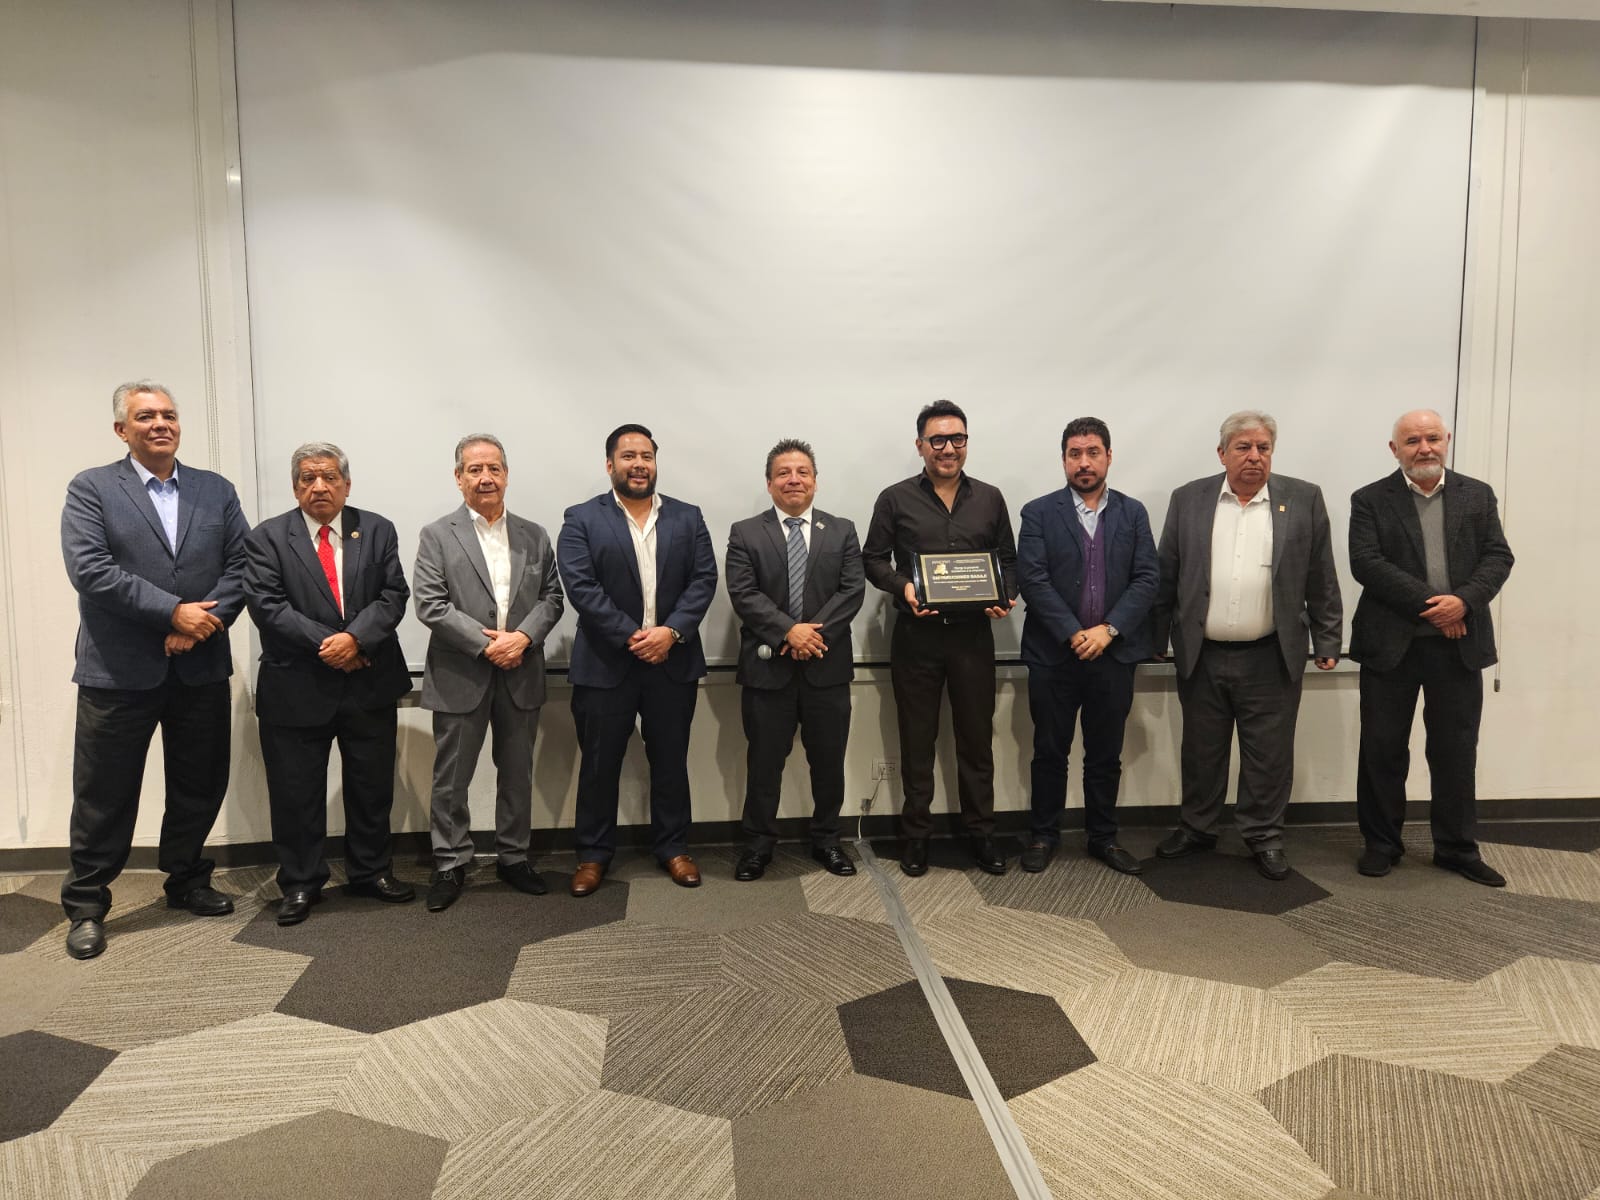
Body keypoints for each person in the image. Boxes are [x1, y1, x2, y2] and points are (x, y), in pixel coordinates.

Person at [58, 380, 250, 960]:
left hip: (200, 664)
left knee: (199, 782)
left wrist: (197, 625)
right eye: (145, 417)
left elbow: (243, 566)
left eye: (168, 414)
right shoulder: (92, 488)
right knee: (105, 793)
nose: (160, 424)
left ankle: (186, 879)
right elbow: (91, 570)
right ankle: (87, 905)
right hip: (118, 671)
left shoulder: (215, 490)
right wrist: (172, 612)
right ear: (122, 430)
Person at [1150, 411, 1342, 880]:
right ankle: (1198, 828)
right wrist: (1154, 638)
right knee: (1201, 751)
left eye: (1263, 447)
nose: (1254, 456)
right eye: (1243, 447)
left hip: (1271, 654)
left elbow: (1321, 574)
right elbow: (1166, 574)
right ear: (1222, 454)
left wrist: (1328, 637)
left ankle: (1264, 835)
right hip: (1203, 654)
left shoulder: (1303, 498)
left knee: (1269, 754)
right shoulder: (1188, 499)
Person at [244, 442, 414, 924]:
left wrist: (355, 640)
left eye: (329, 477)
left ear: (347, 484)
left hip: (368, 681)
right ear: (295, 486)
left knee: (371, 787)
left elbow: (393, 595)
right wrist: (333, 644)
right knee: (295, 793)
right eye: (308, 478)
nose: (319, 486)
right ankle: (300, 883)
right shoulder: (267, 538)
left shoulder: (377, 529)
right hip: (296, 686)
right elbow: (267, 607)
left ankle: (371, 872)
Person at [1349, 409, 1514, 886]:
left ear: (1447, 440)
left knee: (1455, 751)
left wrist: (1463, 602)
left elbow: (1498, 556)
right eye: (1412, 440)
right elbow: (1366, 563)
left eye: (1432, 438)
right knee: (1382, 750)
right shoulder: (1369, 499)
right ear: (1394, 449)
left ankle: (1457, 849)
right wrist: (1436, 607)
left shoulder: (1477, 495)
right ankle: (1382, 844)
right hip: (1390, 648)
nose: (1424, 448)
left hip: (1458, 647)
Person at [557, 424, 718, 896]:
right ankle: (593, 854)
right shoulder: (581, 518)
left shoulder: (687, 517)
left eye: (646, 456)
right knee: (599, 765)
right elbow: (581, 586)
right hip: (606, 663)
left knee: (670, 761)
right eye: (628, 456)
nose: (639, 464)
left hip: (672, 660)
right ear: (610, 465)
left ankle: (673, 848)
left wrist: (670, 632)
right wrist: (633, 636)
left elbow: (703, 580)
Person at [863, 400, 1018, 877]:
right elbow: (873, 559)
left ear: (966, 442)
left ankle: (982, 834)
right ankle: (916, 837)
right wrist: (904, 587)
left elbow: (1008, 562)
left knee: (976, 742)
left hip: (973, 638)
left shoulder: (990, 498)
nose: (948, 448)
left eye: (958, 439)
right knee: (917, 742)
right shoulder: (894, 498)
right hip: (917, 637)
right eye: (938, 440)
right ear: (920, 445)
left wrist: (1005, 595)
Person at [413, 434, 565, 912]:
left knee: (517, 774)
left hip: (522, 670)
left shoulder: (534, 534)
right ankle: (450, 862)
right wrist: (488, 646)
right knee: (451, 778)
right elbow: (431, 604)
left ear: (506, 475)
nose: (486, 478)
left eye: (494, 468)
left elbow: (552, 597)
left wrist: (522, 639)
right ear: (458, 477)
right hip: (461, 673)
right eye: (475, 469)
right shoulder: (437, 535)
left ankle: (514, 857)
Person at [1016, 418, 1159, 875]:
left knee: (1104, 754)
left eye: (1093, 452)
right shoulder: (1038, 513)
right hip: (1053, 655)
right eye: (1074, 453)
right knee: (1049, 752)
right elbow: (1032, 578)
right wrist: (1074, 632)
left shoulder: (1133, 513)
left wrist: (1108, 630)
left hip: (1113, 656)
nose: (1084, 462)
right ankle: (1043, 835)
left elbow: (1147, 578)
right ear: (1063, 460)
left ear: (1108, 457)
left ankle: (1103, 838)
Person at [725, 439, 866, 880]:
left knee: (828, 764)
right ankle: (757, 846)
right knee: (764, 766)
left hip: (827, 668)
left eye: (802, 472)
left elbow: (852, 590)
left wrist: (811, 635)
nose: (794, 479)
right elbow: (743, 593)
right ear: (769, 484)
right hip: (768, 671)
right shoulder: (745, 532)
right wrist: (789, 631)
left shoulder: (841, 530)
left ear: (815, 481)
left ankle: (828, 840)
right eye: (783, 473)